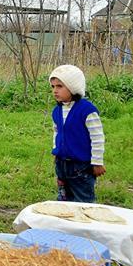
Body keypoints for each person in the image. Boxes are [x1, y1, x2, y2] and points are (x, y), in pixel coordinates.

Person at [49, 65, 105, 203]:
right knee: (63, 200)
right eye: (53, 86)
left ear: (73, 87)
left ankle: (84, 224)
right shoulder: (57, 111)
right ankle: (65, 223)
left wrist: (97, 162)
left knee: (83, 202)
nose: (55, 91)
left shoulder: (87, 110)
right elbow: (57, 133)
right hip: (62, 165)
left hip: (81, 167)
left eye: (60, 86)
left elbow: (97, 137)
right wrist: (57, 151)